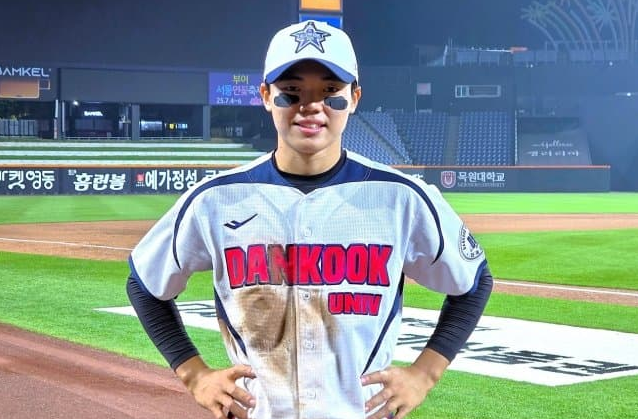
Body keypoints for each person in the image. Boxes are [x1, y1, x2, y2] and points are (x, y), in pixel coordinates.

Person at [126, 20, 493, 419]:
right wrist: (195, 375)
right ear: (266, 96)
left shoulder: (401, 197)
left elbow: (473, 282)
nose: (311, 106)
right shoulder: (214, 200)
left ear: (355, 97)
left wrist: (424, 374)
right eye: (292, 91)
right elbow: (145, 284)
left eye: (331, 92)